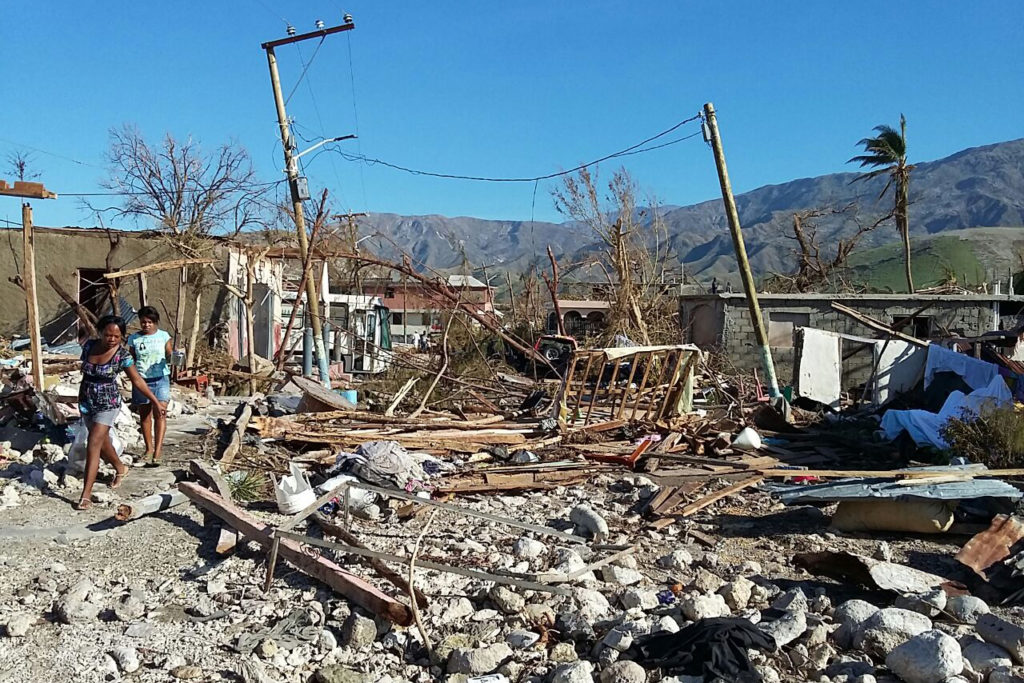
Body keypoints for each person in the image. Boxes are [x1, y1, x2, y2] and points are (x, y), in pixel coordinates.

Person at [77, 315, 165, 510]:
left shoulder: (122, 356)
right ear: (100, 333)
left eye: (117, 336)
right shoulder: (89, 346)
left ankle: (86, 494)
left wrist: (155, 400)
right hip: (86, 400)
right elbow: (84, 372)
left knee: (93, 442)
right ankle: (120, 467)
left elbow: (137, 380)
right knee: (101, 441)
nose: (112, 339)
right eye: (108, 335)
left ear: (122, 337)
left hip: (108, 403)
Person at [126, 306, 172, 466]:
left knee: (160, 413)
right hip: (141, 380)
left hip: (160, 379)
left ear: (155, 322)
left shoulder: (163, 336)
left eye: (150, 322)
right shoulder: (134, 339)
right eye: (143, 322)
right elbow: (130, 358)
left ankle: (158, 451)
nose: (146, 325)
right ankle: (149, 449)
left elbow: (169, 354)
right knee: (144, 415)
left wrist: (175, 357)